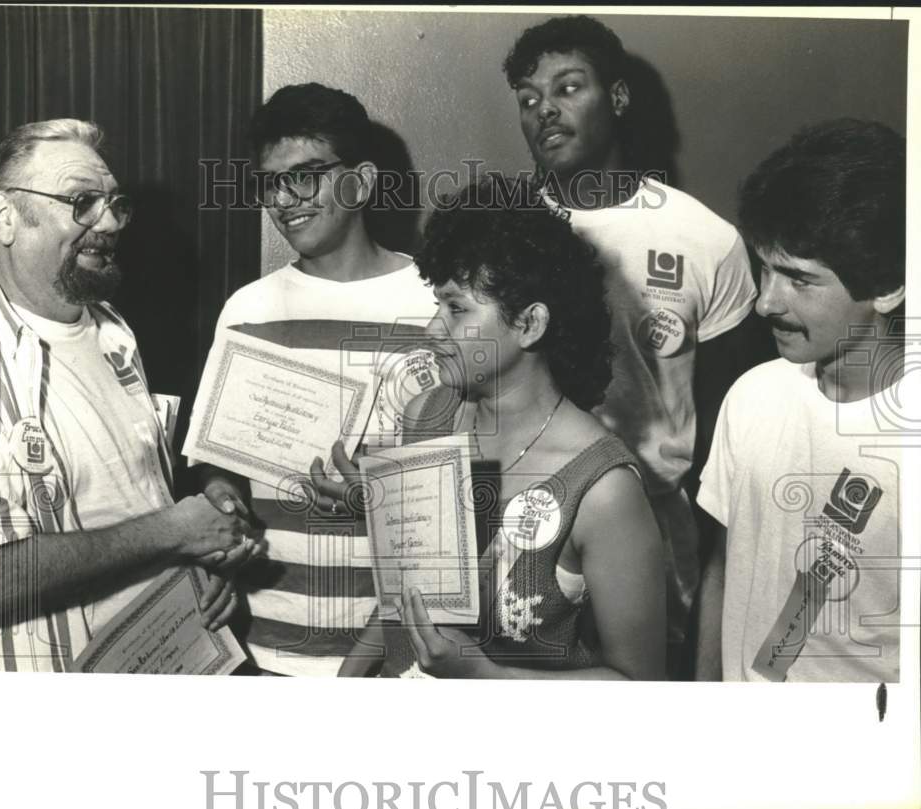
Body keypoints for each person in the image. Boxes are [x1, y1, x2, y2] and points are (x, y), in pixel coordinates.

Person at [0, 119, 256, 672]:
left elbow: (131, 506)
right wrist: (177, 532)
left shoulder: (112, 330)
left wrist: (204, 553)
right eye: (81, 201)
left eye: (113, 203)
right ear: (4, 216)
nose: (108, 222)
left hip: (162, 668)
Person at [502, 15, 759, 674]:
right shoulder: (499, 237)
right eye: (530, 99)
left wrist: (710, 554)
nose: (546, 111)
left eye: (568, 88)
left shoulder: (705, 239)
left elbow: (732, 415)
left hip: (656, 526)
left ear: (616, 98)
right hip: (522, 526)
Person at [340, 181, 666, 679]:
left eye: (457, 308)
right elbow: (408, 590)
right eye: (437, 305)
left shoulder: (604, 489)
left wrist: (481, 675)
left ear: (530, 323)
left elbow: (639, 685)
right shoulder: (427, 416)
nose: (433, 329)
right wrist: (354, 670)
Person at [194, 84, 438, 676]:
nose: (284, 199)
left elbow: (473, 491)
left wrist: (377, 499)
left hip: (398, 654)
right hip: (262, 645)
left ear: (362, 181)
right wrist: (219, 494)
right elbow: (215, 466)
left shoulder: (437, 304)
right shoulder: (246, 310)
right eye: (270, 182)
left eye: (305, 175)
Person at [695, 119, 905, 682]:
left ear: (887, 286)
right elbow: (722, 567)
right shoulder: (752, 395)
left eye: (799, 280)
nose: (766, 303)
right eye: (765, 269)